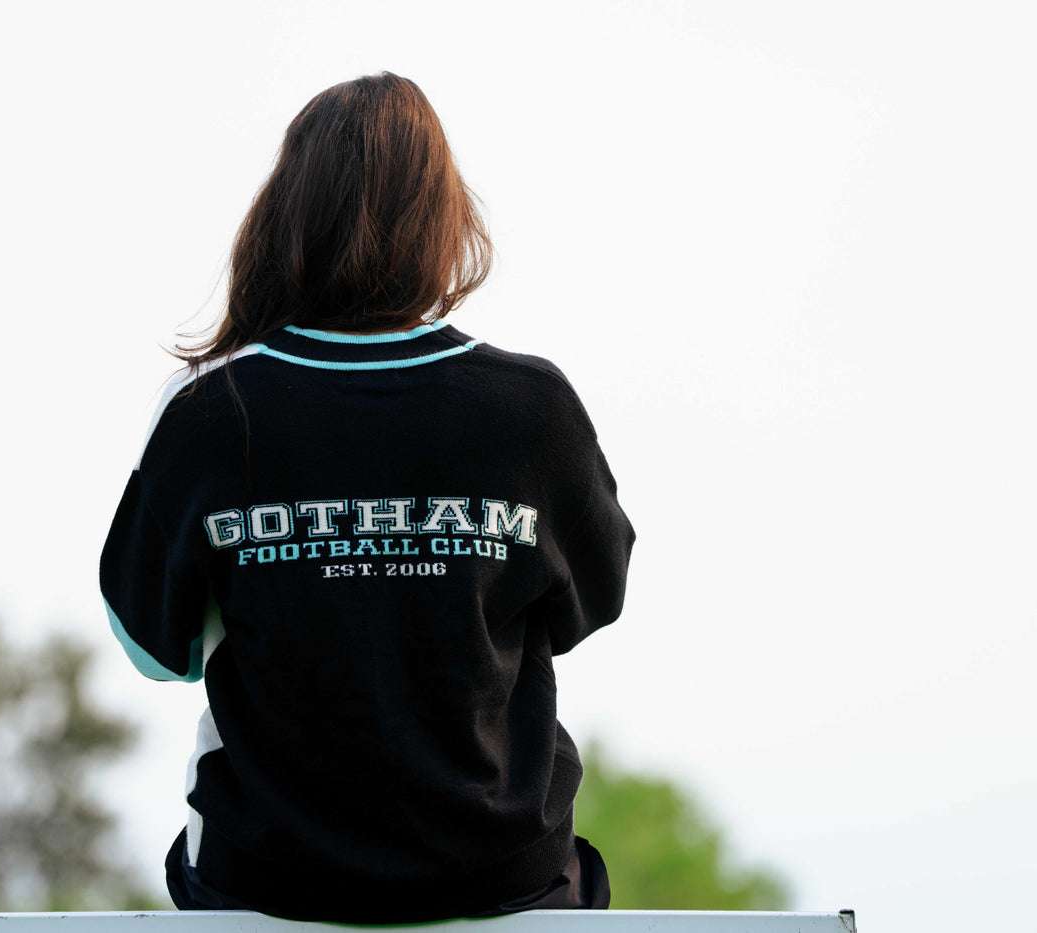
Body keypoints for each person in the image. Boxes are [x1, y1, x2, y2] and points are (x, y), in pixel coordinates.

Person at [99, 72, 635, 923]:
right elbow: (590, 605)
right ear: (446, 220)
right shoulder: (535, 409)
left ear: (285, 211)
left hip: (267, 879)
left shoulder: (205, 408)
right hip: (502, 876)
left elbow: (153, 647)